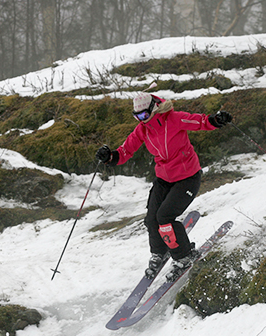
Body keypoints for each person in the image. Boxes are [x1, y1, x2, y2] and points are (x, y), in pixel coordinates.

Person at [95, 90, 232, 281]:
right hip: (164, 179)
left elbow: (199, 121)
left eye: (143, 115)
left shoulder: (174, 119)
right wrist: (109, 156)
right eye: (137, 116)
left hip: (188, 177)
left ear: (153, 109)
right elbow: (125, 151)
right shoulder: (143, 130)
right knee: (152, 219)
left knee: (164, 217)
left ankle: (184, 256)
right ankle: (159, 253)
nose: (141, 119)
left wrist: (216, 120)